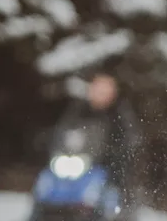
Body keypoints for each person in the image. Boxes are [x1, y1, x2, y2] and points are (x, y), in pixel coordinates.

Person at [53, 73, 140, 208]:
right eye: (98, 88)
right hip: (78, 161)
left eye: (105, 89)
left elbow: (130, 137)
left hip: (106, 166)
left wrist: (114, 152)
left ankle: (111, 213)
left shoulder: (120, 113)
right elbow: (62, 131)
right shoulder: (78, 110)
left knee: (110, 191)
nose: (101, 93)